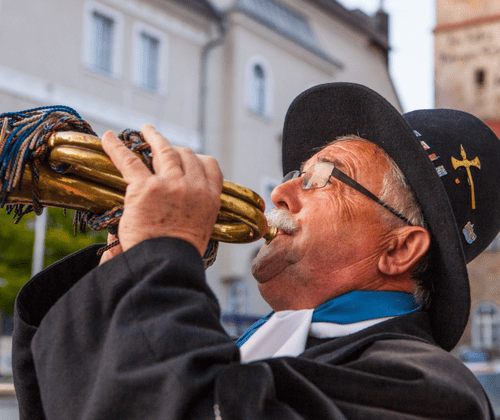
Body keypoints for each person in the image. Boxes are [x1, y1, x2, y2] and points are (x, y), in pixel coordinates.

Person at [12, 83, 500, 419]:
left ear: (399, 249)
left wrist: (157, 260)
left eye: (322, 178)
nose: (281, 194)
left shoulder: (431, 392)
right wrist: (118, 282)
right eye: (294, 175)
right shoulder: (262, 340)